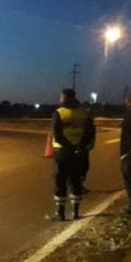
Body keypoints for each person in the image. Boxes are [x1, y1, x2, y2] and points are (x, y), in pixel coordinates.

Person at [48, 88, 96, 221]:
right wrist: (79, 147)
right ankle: (76, 213)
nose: (60, 99)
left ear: (65, 97)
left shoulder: (58, 113)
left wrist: (70, 147)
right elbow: (90, 133)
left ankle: (60, 213)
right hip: (79, 153)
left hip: (63, 153)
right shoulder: (84, 113)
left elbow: (57, 136)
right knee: (76, 182)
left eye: (61, 97)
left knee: (60, 182)